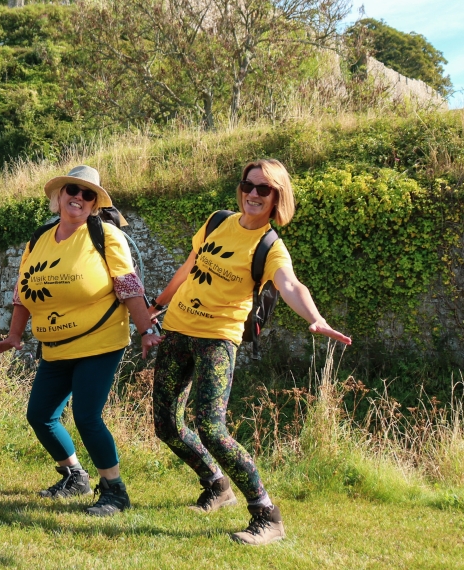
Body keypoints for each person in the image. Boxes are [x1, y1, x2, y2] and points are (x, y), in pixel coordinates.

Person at [150, 159, 352, 545]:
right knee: (166, 425)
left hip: (217, 339)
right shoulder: (217, 221)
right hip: (177, 330)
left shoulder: (269, 246)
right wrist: (159, 303)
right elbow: (190, 267)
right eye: (249, 185)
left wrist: (315, 318)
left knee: (211, 426)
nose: (253, 194)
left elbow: (291, 285)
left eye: (264, 189)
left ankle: (266, 514)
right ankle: (216, 485)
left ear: (278, 197)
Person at [0, 165, 162, 516]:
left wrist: (146, 330)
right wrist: (14, 335)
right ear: (59, 195)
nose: (79, 199)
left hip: (100, 342)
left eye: (88, 195)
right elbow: (23, 292)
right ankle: (74, 475)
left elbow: (129, 286)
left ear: (95, 203)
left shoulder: (105, 236)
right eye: (73, 190)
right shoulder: (37, 240)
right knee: (40, 415)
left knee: (86, 415)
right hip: (54, 347)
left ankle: (114, 491)